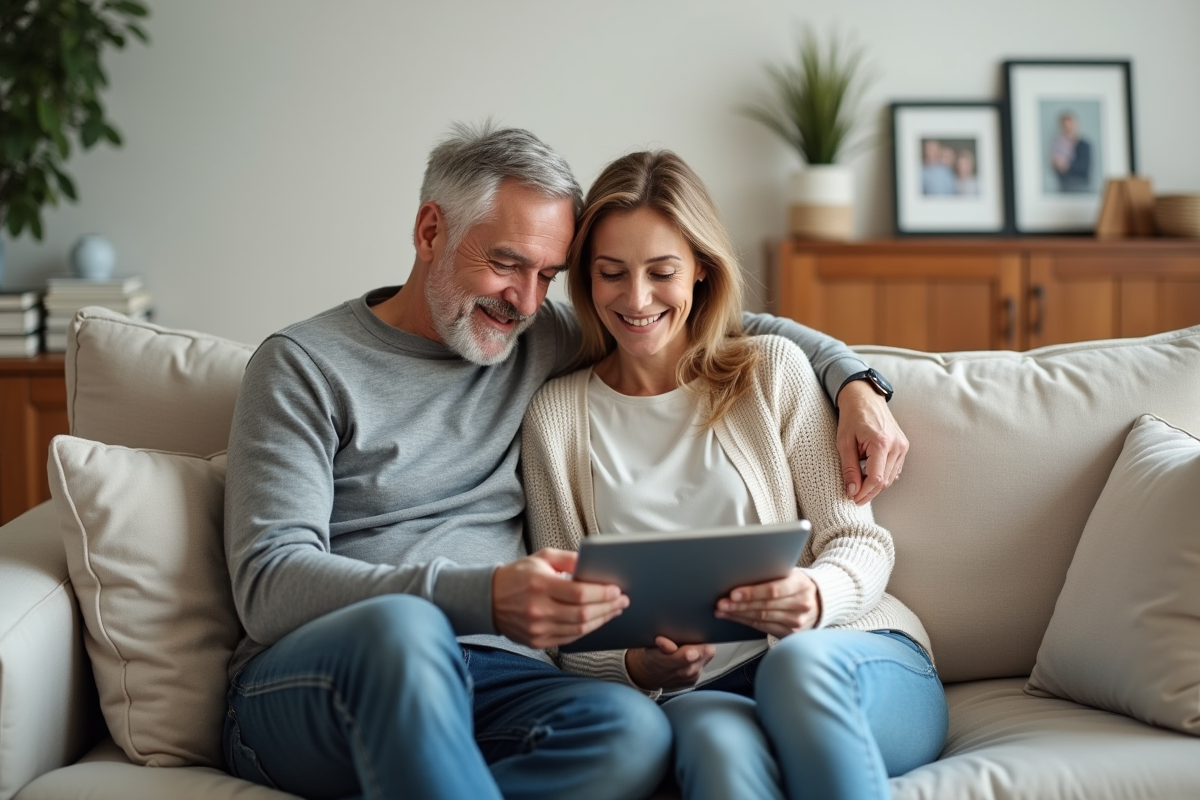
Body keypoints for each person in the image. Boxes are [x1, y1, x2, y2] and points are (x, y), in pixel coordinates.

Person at [223, 122, 909, 800]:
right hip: (328, 674)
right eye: (507, 263)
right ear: (430, 231)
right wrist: (483, 596)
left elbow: (710, 323)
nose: (524, 299)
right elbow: (268, 585)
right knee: (405, 631)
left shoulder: (529, 333)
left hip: (495, 675)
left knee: (634, 731)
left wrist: (855, 382)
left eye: (547, 274)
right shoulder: (304, 365)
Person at [522, 150, 948, 800]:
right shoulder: (554, 418)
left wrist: (813, 596)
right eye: (612, 273)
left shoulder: (770, 371)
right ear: (586, 277)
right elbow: (570, 633)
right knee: (714, 748)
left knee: (796, 668)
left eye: (662, 272)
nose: (636, 300)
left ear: (700, 270)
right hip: (702, 695)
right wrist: (637, 664)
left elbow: (860, 541)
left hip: (846, 658)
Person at [1050, 112, 1092, 193]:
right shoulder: (1058, 145)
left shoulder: (1084, 145)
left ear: (1075, 125)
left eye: (1070, 126)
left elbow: (1084, 167)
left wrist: (1066, 165)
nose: (1068, 129)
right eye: (1065, 127)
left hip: (1080, 186)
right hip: (1064, 185)